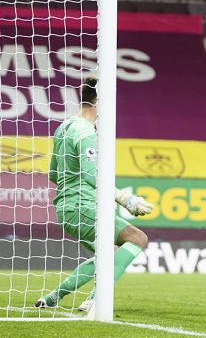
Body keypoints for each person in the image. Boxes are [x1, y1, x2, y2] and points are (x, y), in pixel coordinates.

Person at [36, 77, 153, 312]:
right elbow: (92, 176)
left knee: (109, 254)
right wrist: (124, 198)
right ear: (98, 102)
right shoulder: (86, 132)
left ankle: (52, 298)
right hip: (83, 206)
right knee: (138, 239)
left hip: (66, 208)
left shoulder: (65, 127)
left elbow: (53, 173)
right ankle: (97, 298)